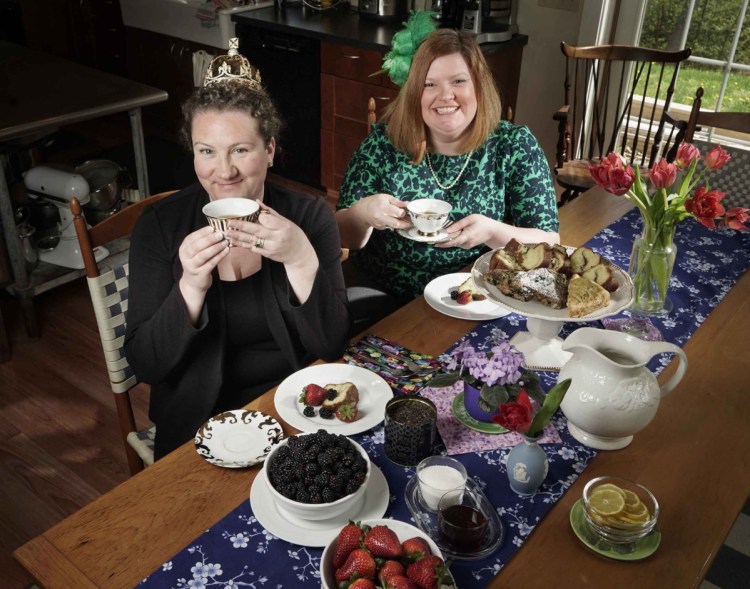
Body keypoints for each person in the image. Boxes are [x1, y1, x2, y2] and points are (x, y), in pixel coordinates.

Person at [124, 40, 351, 459]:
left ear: (269, 150)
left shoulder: (310, 216)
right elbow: (146, 365)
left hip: (292, 408)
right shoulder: (159, 226)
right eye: (206, 151)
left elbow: (331, 344)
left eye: (241, 150)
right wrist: (191, 286)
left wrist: (300, 256)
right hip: (196, 422)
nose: (223, 172)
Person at [336, 26, 560, 317]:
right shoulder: (383, 144)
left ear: (478, 87)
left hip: (476, 295)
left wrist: (492, 232)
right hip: (383, 292)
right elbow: (342, 236)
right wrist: (364, 214)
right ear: (415, 93)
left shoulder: (514, 146)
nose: (445, 95)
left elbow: (549, 243)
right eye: (429, 84)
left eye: (458, 81)